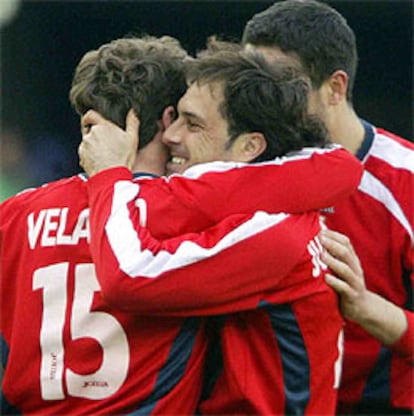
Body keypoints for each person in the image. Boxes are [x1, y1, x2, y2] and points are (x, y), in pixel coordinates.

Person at [0, 36, 362, 414]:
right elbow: (331, 170)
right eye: (181, 120)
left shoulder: (15, 214)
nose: (176, 137)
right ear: (166, 118)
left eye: (194, 123)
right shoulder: (192, 215)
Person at [242, 1, 414, 413]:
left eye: (282, 86)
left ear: (335, 87)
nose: (261, 102)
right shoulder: (238, 170)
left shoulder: (405, 181)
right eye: (249, 83)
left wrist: (366, 307)